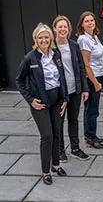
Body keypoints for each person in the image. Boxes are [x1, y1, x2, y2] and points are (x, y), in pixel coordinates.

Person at [16, 23, 68, 185]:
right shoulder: (30, 58)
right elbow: (19, 81)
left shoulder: (56, 55)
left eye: (46, 37)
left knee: (57, 133)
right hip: (40, 103)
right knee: (47, 136)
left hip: (57, 101)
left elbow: (62, 78)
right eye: (40, 37)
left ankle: (56, 165)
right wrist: (30, 100)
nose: (44, 40)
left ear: (50, 38)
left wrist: (65, 99)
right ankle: (45, 171)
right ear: (35, 39)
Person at [52, 16, 90, 163]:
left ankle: (75, 148)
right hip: (59, 93)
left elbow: (81, 68)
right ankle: (60, 150)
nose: (62, 29)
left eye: (65, 27)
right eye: (59, 27)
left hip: (75, 90)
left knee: (73, 120)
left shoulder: (73, 45)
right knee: (59, 122)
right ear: (54, 28)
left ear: (69, 29)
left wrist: (85, 89)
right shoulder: (51, 47)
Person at [76, 11, 103, 149]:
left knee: (93, 109)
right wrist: (95, 82)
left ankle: (92, 134)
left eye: (92, 20)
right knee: (91, 110)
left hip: (98, 75)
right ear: (82, 24)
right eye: (86, 21)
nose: (90, 23)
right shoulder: (83, 39)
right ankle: (89, 138)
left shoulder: (94, 37)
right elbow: (86, 64)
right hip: (91, 78)